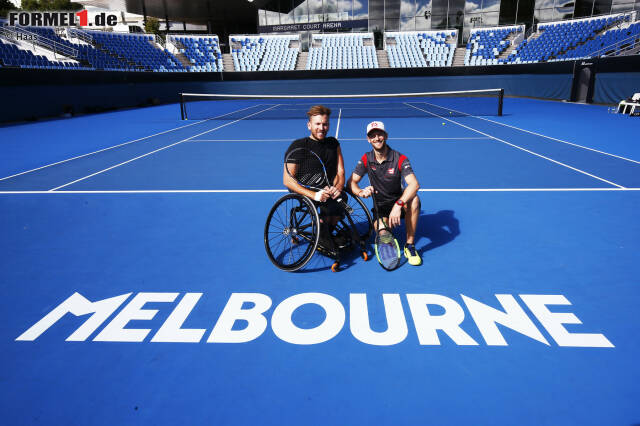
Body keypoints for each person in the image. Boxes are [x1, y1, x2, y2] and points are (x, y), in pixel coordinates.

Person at [348, 121, 422, 266]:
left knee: (415, 200)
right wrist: (361, 192)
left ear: (385, 136)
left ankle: (410, 246)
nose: (377, 138)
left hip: (399, 203)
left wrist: (398, 205)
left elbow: (414, 184)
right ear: (368, 139)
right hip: (380, 207)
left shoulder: (399, 158)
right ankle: (386, 230)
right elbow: (350, 183)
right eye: (372, 136)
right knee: (383, 235)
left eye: (379, 134)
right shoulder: (366, 159)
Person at [283, 105, 346, 229]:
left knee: (341, 201)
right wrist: (314, 195)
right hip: (307, 189)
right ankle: (324, 234)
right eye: (317, 124)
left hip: (328, 189)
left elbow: (341, 171)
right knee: (328, 210)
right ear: (309, 125)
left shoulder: (333, 143)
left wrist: (337, 188)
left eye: (325, 124)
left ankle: (328, 228)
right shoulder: (298, 146)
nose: (321, 128)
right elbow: (287, 180)